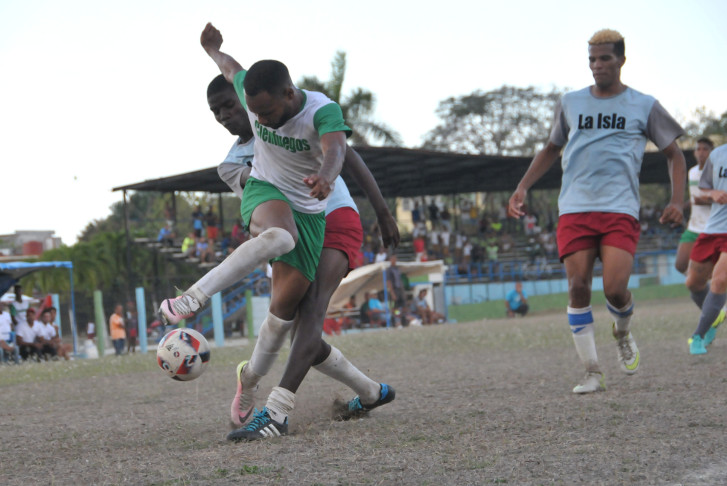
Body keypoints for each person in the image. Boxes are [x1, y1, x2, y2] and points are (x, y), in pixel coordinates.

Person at [188, 26, 397, 442]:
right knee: (295, 327)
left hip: (332, 214)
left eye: (230, 106)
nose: (234, 115)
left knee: (313, 313)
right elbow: (262, 206)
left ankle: (277, 411)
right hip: (288, 227)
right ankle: (372, 392)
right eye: (219, 112)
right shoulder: (233, 162)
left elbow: (341, 151)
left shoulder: (308, 116)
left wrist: (379, 207)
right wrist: (213, 49)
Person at [508, 29, 686, 394]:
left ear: (621, 59)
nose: (597, 65)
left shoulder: (643, 104)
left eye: (604, 58)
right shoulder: (571, 102)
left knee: (616, 289)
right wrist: (523, 186)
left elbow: (675, 154)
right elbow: (550, 148)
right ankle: (592, 371)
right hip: (575, 208)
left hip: (620, 208)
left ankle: (622, 332)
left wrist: (676, 201)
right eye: (592, 59)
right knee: (577, 286)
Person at [684, 143, 727, 354]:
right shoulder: (718, 154)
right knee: (693, 283)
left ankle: (697, 336)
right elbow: (704, 186)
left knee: (719, 281)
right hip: (713, 228)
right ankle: (715, 316)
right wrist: (714, 194)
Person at [675, 138, 715, 274]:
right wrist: (679, 207)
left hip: (713, 227)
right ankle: (703, 286)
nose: (701, 152)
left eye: (705, 149)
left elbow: (722, 198)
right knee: (681, 264)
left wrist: (706, 201)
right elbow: (693, 198)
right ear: (694, 152)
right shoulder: (692, 172)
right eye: (698, 149)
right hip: (694, 226)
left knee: (712, 268)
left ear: (712, 152)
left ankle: (710, 290)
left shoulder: (718, 173)